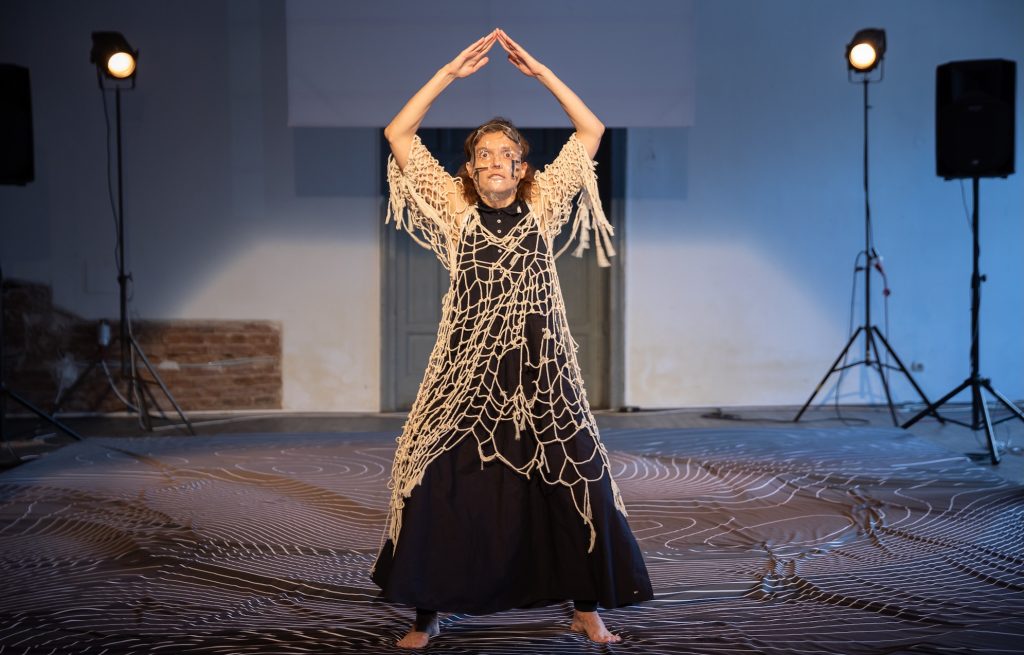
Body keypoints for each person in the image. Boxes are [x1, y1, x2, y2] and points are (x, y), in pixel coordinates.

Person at [371, 29, 652, 649]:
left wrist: (543, 74)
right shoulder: (455, 208)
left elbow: (591, 130)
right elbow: (398, 134)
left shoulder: (544, 203)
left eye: (507, 154)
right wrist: (448, 74)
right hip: (466, 372)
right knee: (436, 481)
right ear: (470, 169)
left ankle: (585, 607)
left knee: (576, 478)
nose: (496, 162)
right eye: (484, 155)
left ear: (523, 167)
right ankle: (428, 612)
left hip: (541, 368)